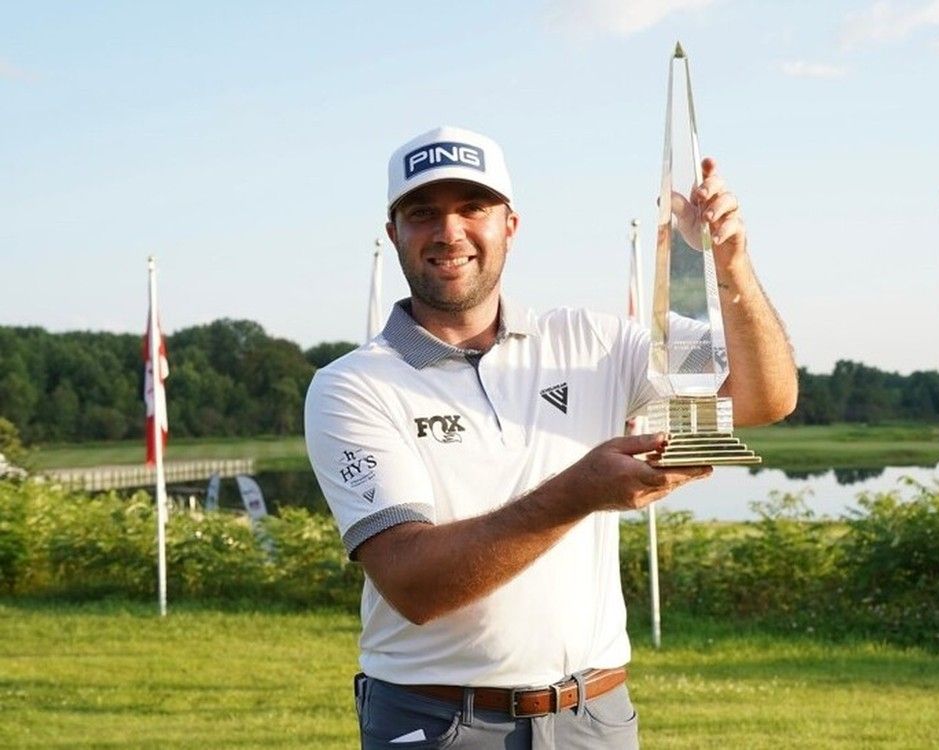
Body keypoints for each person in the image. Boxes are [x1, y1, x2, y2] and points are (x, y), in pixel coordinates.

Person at [305, 125, 797, 749]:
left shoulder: (591, 342)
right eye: (423, 213)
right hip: (439, 723)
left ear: (510, 225)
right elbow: (412, 583)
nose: (449, 232)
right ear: (394, 233)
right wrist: (580, 492)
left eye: (472, 208)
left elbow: (762, 398)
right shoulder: (352, 385)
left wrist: (730, 268)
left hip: (595, 714)